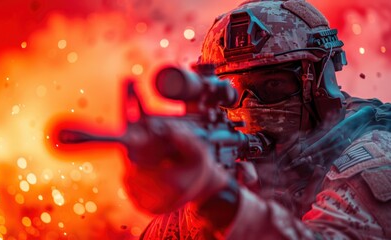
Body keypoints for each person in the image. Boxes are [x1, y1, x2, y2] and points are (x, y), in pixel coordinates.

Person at [123, 0, 391, 239]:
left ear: (320, 85)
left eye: (273, 85)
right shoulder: (227, 159)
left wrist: (220, 201)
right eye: (232, 91)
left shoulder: (372, 152)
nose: (249, 105)